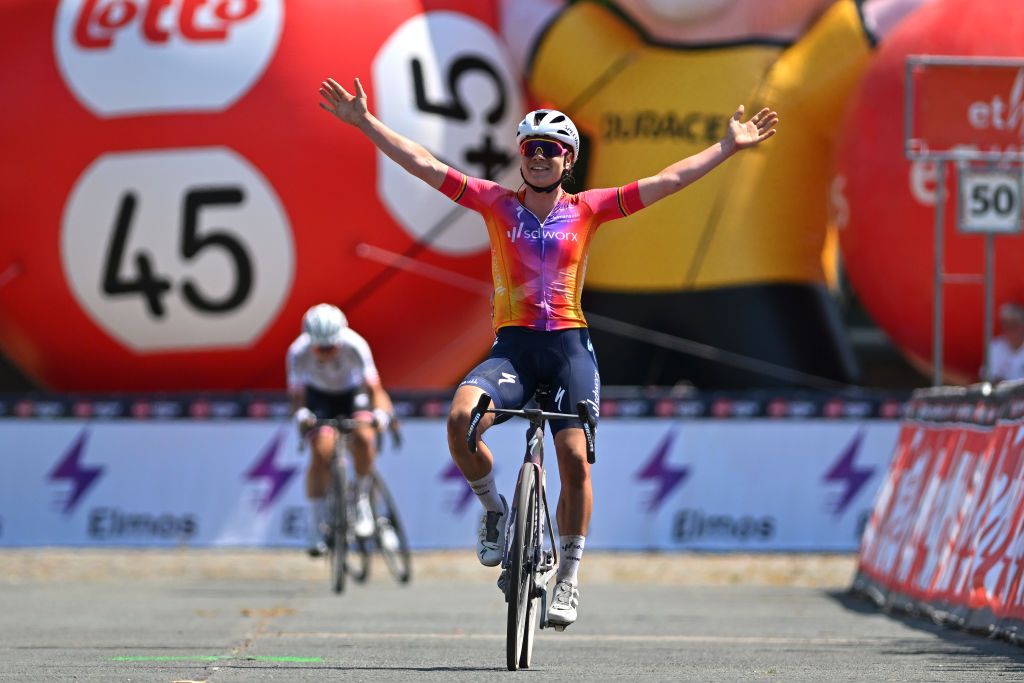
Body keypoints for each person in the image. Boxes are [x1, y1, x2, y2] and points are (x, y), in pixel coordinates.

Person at [318, 76, 777, 627]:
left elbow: (669, 179)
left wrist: (727, 147)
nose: (538, 157)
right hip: (512, 348)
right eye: (529, 149)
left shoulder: (589, 209)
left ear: (568, 159)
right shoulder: (495, 203)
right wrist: (366, 123)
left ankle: (569, 578)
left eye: (550, 150)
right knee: (461, 420)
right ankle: (493, 509)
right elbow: (423, 164)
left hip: (567, 348)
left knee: (573, 461)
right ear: (520, 157)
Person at [288, 303, 396, 557]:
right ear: (309, 341)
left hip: (351, 394)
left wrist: (380, 415)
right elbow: (296, 396)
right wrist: (301, 414)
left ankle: (361, 501)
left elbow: (375, 390)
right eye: (320, 348)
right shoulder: (297, 351)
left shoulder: (355, 344)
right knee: (321, 452)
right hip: (319, 398)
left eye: (331, 347)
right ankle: (317, 526)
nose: (325, 353)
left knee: (363, 436)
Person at [982, 303, 1024, 383]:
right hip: (1002, 394)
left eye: (1014, 325)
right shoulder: (995, 347)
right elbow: (988, 378)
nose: (1010, 330)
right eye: (1007, 326)